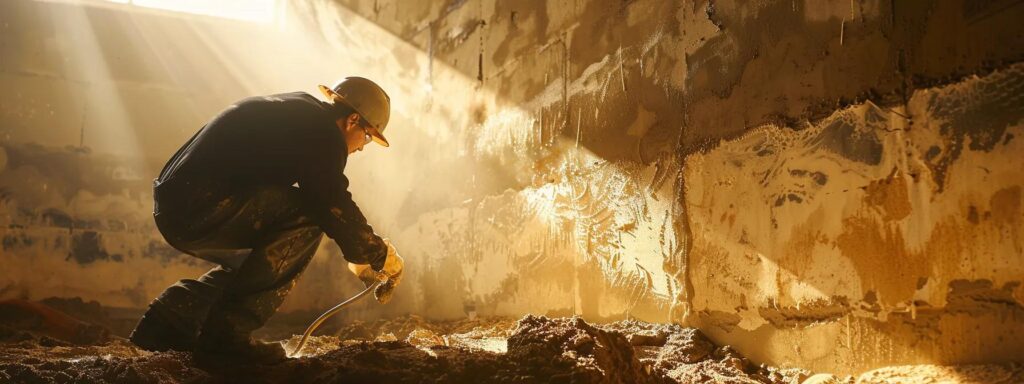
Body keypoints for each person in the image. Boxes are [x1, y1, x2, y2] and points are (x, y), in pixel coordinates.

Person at [128, 77, 405, 363]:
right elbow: (328, 201)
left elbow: (326, 198)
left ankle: (168, 320)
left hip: (179, 204)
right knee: (308, 214)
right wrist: (375, 252)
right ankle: (226, 339)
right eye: (368, 137)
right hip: (201, 205)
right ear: (352, 120)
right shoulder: (322, 133)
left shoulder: (300, 112)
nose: (362, 148)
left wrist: (358, 250)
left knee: (260, 263)